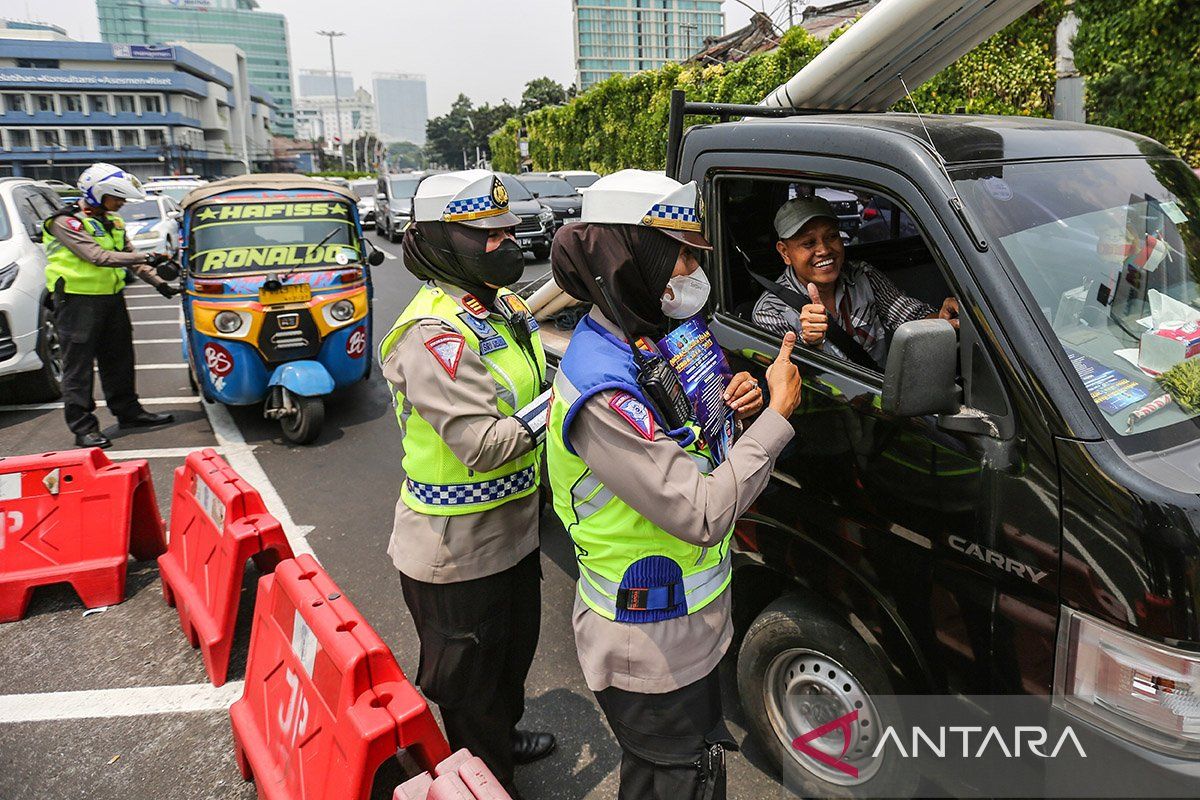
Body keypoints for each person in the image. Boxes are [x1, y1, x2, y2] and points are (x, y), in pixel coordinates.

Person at [547, 169, 803, 800]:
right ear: (632, 256)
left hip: (692, 626)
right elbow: (700, 511)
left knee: (694, 772)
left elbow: (688, 439)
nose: (691, 269)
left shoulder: (643, 340)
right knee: (673, 781)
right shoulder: (604, 385)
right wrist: (775, 419)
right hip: (649, 649)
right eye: (680, 254)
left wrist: (737, 408)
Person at [378, 169, 555, 797]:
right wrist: (565, 400)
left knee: (511, 660)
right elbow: (483, 445)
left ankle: (498, 742)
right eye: (487, 234)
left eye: (507, 230)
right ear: (439, 241)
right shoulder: (432, 334)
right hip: (455, 551)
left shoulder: (497, 305)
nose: (504, 243)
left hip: (514, 533)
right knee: (470, 684)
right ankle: (484, 777)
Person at [43, 163, 177, 449]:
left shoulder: (113, 221)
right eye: (117, 197)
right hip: (77, 302)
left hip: (111, 299)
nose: (122, 203)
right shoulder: (66, 222)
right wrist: (148, 256)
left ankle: (129, 412)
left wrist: (161, 285)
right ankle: (84, 428)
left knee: (119, 359)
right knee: (78, 368)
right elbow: (97, 256)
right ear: (97, 194)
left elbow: (129, 256)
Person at [752, 195, 959, 367]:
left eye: (832, 236)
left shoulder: (862, 275)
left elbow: (908, 315)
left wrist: (942, 319)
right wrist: (811, 343)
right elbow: (793, 384)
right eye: (808, 243)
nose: (824, 250)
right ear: (785, 252)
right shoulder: (769, 312)